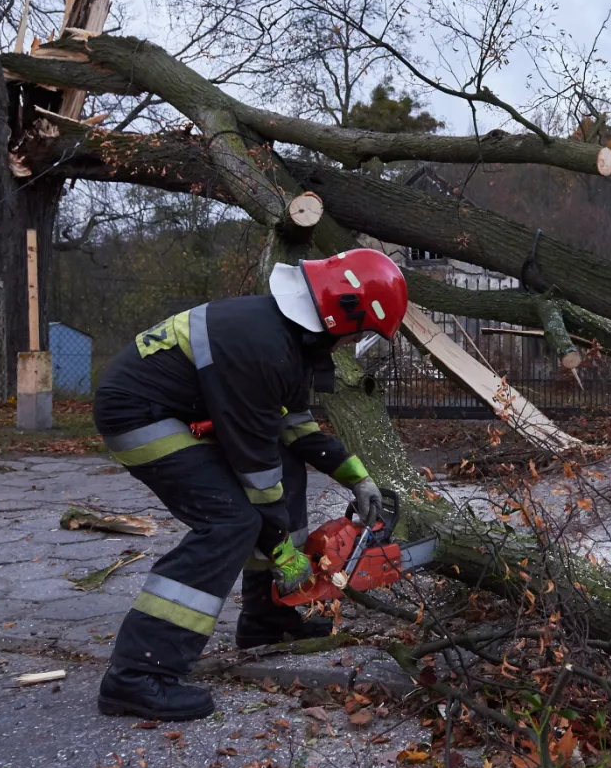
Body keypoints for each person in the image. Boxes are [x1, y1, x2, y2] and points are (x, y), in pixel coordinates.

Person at [91, 248, 408, 721]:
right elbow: (255, 471)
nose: (351, 344)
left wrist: (356, 478)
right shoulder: (260, 346)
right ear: (341, 316)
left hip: (180, 409)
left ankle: (268, 619)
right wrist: (283, 551)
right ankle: (138, 673)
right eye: (358, 333)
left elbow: (294, 427)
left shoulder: (286, 339)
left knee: (286, 472)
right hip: (138, 413)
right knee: (229, 521)